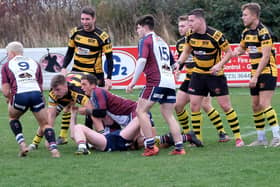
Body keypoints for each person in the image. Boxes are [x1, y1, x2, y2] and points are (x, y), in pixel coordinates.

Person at [70, 73, 202, 154]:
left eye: (84, 84)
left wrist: (87, 111)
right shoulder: (95, 96)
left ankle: (180, 139)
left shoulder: (98, 92)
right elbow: (106, 117)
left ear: (93, 85)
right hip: (127, 120)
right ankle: (186, 138)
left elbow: (101, 113)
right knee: (138, 143)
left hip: (134, 113)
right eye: (81, 85)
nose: (82, 87)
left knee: (144, 141)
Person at [176, 8, 244, 147]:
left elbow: (229, 53)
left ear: (200, 21)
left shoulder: (216, 35)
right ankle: (197, 139)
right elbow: (187, 51)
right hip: (198, 74)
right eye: (188, 21)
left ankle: (238, 138)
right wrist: (179, 63)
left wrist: (219, 65)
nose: (189, 24)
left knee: (225, 106)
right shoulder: (190, 35)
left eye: (191, 21)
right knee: (195, 106)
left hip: (215, 75)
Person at [126, 15, 185, 156]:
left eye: (138, 28)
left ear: (144, 27)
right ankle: (179, 147)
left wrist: (133, 82)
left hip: (156, 81)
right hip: (169, 82)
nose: (137, 32)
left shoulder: (145, 40)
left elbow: (141, 61)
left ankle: (150, 147)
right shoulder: (162, 41)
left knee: (140, 111)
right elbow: (174, 64)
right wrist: (176, 71)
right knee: (168, 115)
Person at [1, 41, 60, 157]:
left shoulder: (7, 65)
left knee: (13, 117)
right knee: (45, 124)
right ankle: (54, 150)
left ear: (12, 53)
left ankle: (23, 145)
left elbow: (5, 91)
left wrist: (9, 98)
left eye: (7, 53)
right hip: (36, 94)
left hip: (20, 95)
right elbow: (40, 85)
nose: (7, 56)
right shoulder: (34, 63)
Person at [233, 3, 280, 147]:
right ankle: (261, 139)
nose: (243, 18)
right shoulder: (246, 32)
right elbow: (241, 49)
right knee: (255, 106)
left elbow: (266, 57)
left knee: (264, 104)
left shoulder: (263, 32)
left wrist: (255, 76)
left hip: (267, 71)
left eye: (245, 15)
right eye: (243, 15)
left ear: (254, 16)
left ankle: (277, 136)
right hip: (255, 73)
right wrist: (231, 54)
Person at [28, 73, 104, 150]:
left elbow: (92, 111)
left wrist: (79, 110)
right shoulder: (53, 93)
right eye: (53, 90)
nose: (55, 93)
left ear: (65, 86)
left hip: (79, 85)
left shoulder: (79, 91)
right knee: (48, 116)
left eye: (58, 90)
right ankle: (35, 143)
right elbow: (51, 116)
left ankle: (103, 136)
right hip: (68, 90)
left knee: (93, 113)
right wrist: (49, 139)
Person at [61, 6, 113, 90]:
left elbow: (109, 59)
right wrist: (63, 67)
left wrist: (109, 78)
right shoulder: (75, 32)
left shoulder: (103, 37)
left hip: (94, 74)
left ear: (94, 19)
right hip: (76, 71)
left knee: (96, 101)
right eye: (82, 19)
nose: (84, 22)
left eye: (87, 19)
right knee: (69, 96)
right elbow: (70, 52)